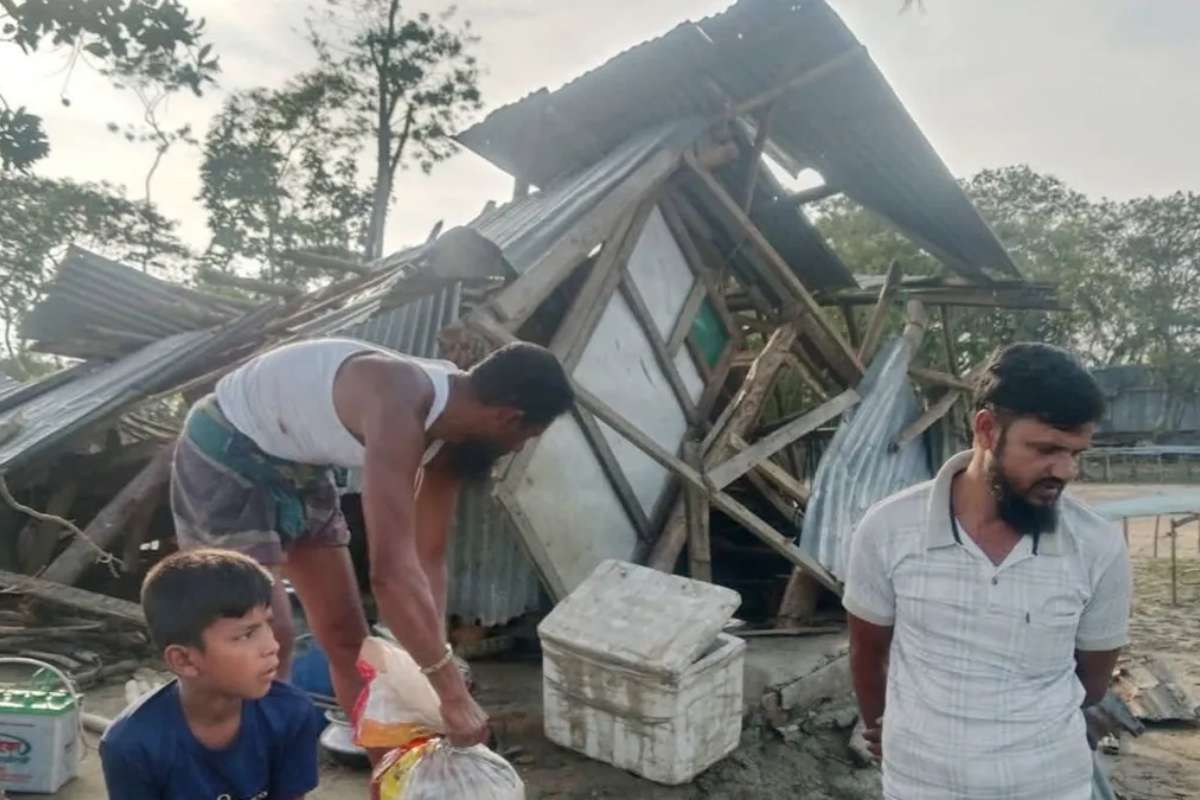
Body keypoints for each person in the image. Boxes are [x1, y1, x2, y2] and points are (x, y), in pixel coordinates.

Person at [170, 337, 574, 746]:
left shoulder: (453, 437)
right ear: (509, 417)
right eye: (527, 436)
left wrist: (434, 661)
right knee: (267, 637)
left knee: (348, 638)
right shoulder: (400, 398)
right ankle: (257, 775)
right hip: (227, 449)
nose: (518, 448)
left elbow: (427, 558)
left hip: (302, 466)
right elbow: (391, 574)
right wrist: (450, 691)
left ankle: (390, 774)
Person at [843, 342, 1131, 800]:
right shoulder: (888, 528)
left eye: (1076, 452)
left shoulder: (1097, 546)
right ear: (986, 429)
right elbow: (866, 650)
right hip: (920, 785)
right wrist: (891, 731)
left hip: (1050, 785)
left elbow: (1092, 679)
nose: (1065, 470)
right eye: (1046, 449)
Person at [100, 549, 323, 799]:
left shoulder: (291, 713)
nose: (272, 646)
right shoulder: (131, 745)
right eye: (245, 635)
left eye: (268, 624)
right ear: (184, 660)